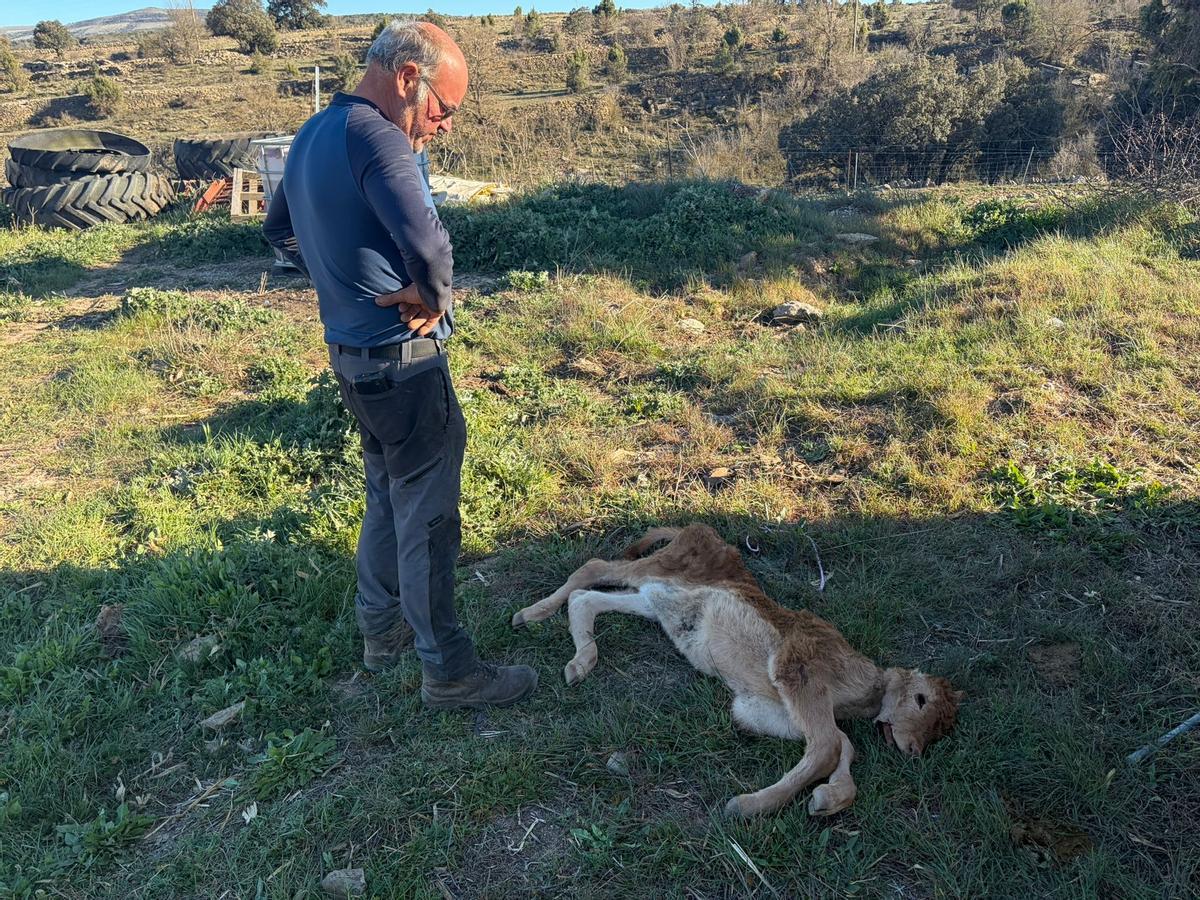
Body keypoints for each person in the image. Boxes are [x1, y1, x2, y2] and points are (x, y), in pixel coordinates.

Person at [264, 21, 537, 709]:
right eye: (445, 110)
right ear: (409, 78)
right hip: (405, 364)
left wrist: (340, 280)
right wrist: (432, 293)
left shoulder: (312, 134)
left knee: (388, 494)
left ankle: (379, 632)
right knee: (430, 515)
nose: (445, 126)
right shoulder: (379, 138)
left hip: (352, 361)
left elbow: (277, 232)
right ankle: (448, 669)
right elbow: (431, 244)